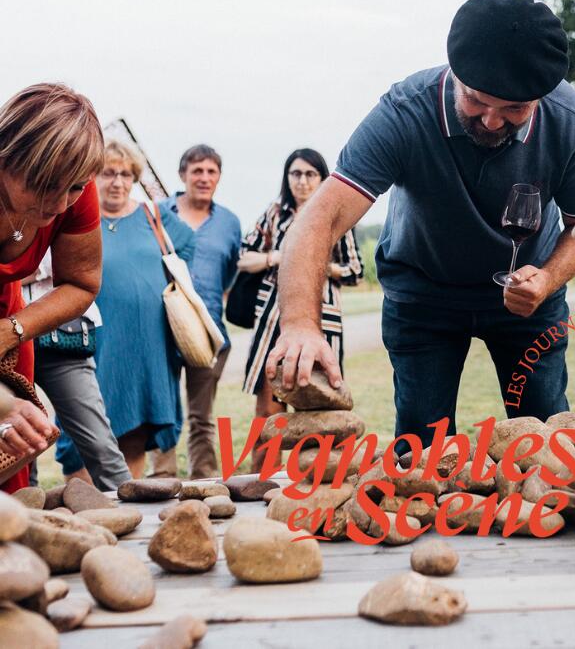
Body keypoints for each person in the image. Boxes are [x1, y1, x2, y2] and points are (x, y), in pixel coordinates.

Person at [268, 0, 575, 454]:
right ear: (455, 75)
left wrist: (547, 279)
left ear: (540, 98)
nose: (491, 120)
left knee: (546, 440)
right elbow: (319, 219)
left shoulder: (571, 120)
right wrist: (302, 325)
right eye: (477, 101)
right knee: (422, 451)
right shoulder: (404, 111)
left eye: (514, 110)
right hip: (423, 296)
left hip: (529, 298)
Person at [54, 140, 195, 479]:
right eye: (107, 173)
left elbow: (188, 243)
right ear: (90, 177)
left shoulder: (153, 216)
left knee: (136, 426)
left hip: (147, 344)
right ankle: (87, 513)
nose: (117, 182)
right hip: (94, 341)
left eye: (126, 174)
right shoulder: (74, 218)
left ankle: (127, 507)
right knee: (83, 425)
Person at [0, 83, 105, 494]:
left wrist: (12, 330)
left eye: (75, 187)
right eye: (46, 185)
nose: (62, 203)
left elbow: (81, 283)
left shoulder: (72, 186)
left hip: (11, 319)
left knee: (12, 446)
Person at [237, 148, 363, 471]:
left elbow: (355, 270)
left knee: (320, 414)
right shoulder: (275, 214)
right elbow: (244, 257)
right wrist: (277, 258)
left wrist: (314, 261)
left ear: (322, 178)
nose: (303, 181)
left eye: (310, 174)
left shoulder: (336, 217)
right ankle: (262, 483)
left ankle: (316, 483)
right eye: (296, 174)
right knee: (268, 410)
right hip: (273, 321)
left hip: (322, 320)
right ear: (287, 177)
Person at [157, 145, 240, 479]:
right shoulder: (159, 213)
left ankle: (203, 481)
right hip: (161, 326)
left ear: (218, 177)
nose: (204, 178)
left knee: (201, 415)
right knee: (162, 411)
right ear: (182, 175)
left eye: (211, 171)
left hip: (207, 332)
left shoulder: (229, 222)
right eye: (197, 171)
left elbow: (230, 275)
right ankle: (160, 480)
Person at [22, 252, 131, 490]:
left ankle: (133, 515)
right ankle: (24, 519)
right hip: (7, 342)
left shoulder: (64, 214)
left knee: (99, 442)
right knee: (18, 447)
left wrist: (15, 271)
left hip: (62, 334)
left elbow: (75, 262)